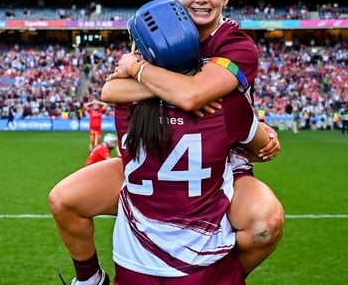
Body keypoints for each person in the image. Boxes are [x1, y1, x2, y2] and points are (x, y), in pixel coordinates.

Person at [49, 0, 283, 285]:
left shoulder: (236, 45)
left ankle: (219, 273)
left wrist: (138, 70)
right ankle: (89, 280)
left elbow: (191, 96)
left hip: (222, 160)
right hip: (155, 156)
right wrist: (169, 87)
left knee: (265, 224)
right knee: (64, 199)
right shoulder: (159, 34)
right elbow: (111, 89)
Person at [111, 82, 273, 284]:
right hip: (203, 260)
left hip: (133, 259)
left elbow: (112, 85)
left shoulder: (123, 101)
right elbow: (264, 148)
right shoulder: (227, 105)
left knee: (65, 199)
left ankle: (88, 278)